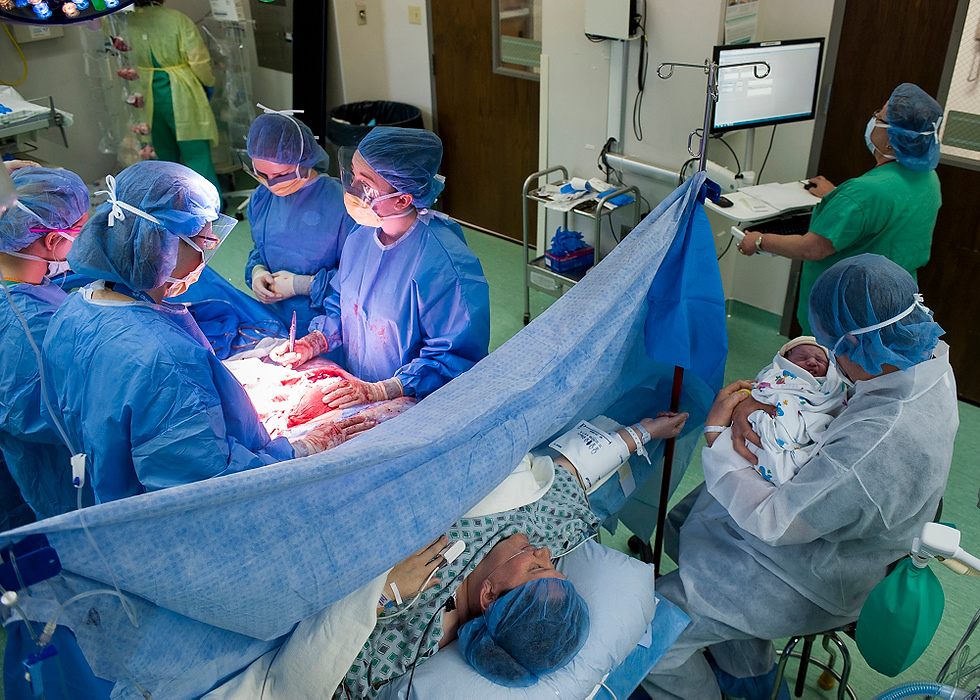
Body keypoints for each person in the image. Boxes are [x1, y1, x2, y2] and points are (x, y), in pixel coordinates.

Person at [641, 254, 957, 700]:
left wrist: (716, 436)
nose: (826, 359)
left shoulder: (879, 440)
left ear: (856, 346)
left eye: (834, 349)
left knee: (649, 632)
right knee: (685, 522)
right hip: (836, 529)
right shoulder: (924, 360)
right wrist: (762, 404)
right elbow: (842, 391)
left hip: (812, 575)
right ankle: (748, 676)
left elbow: (777, 521)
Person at [40, 161, 369, 505]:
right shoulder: (164, 359)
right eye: (203, 240)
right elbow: (210, 487)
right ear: (158, 243)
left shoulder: (74, 310)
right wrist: (297, 450)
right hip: (170, 522)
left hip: (108, 492)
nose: (206, 253)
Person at [337, 411, 689, 697]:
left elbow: (328, 677)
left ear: (489, 595)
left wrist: (383, 594)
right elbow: (573, 471)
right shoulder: (539, 532)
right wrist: (646, 431)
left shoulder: (414, 632)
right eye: (552, 564)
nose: (546, 552)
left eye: (536, 567)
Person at [271, 127, 490, 407]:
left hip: (420, 405)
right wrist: (314, 341)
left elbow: (454, 358)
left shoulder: (446, 266)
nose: (352, 190)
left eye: (366, 185)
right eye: (352, 176)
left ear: (402, 199)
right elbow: (343, 307)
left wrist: (385, 390)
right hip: (359, 390)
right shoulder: (361, 236)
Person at [738, 83, 944, 335]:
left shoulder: (864, 193)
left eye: (879, 117)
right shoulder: (927, 178)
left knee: (828, 367)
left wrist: (758, 240)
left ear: (892, 140)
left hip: (846, 311)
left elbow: (812, 248)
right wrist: (837, 197)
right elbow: (885, 215)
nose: (873, 120)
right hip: (890, 303)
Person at [0, 167, 92, 528]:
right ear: (53, 241)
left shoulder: (23, 286)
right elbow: (59, 421)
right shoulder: (28, 325)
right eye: (78, 232)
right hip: (66, 478)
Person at [244, 109, 355, 335]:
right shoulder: (261, 198)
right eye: (262, 175)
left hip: (328, 328)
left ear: (304, 161)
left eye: (281, 175)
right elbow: (262, 248)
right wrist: (256, 271)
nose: (272, 185)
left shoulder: (342, 205)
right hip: (274, 321)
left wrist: (304, 285)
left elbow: (359, 280)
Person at [705, 336, 845, 486]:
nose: (811, 362)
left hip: (799, 443)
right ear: (784, 360)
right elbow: (759, 390)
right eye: (802, 357)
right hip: (753, 448)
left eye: (821, 360)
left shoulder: (833, 389)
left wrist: (714, 431)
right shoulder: (773, 377)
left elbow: (831, 405)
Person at [124, 0, 221, 194]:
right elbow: (198, 60)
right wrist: (208, 83)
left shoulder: (128, 21)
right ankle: (209, 209)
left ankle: (171, 208)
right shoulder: (177, 19)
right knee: (196, 155)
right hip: (181, 91)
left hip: (146, 94)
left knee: (163, 158)